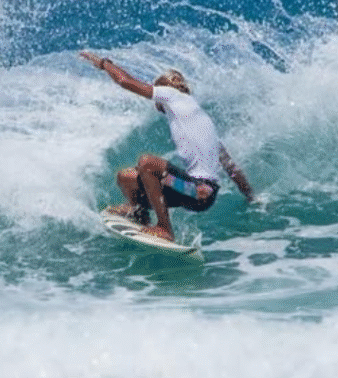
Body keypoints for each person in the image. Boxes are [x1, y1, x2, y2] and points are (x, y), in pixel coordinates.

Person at [80, 51, 255, 241]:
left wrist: (105, 64)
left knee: (148, 163)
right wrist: (251, 197)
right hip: (190, 190)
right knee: (126, 177)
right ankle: (139, 213)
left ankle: (165, 229)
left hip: (198, 190)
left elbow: (125, 82)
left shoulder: (173, 95)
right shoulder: (199, 119)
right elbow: (231, 168)